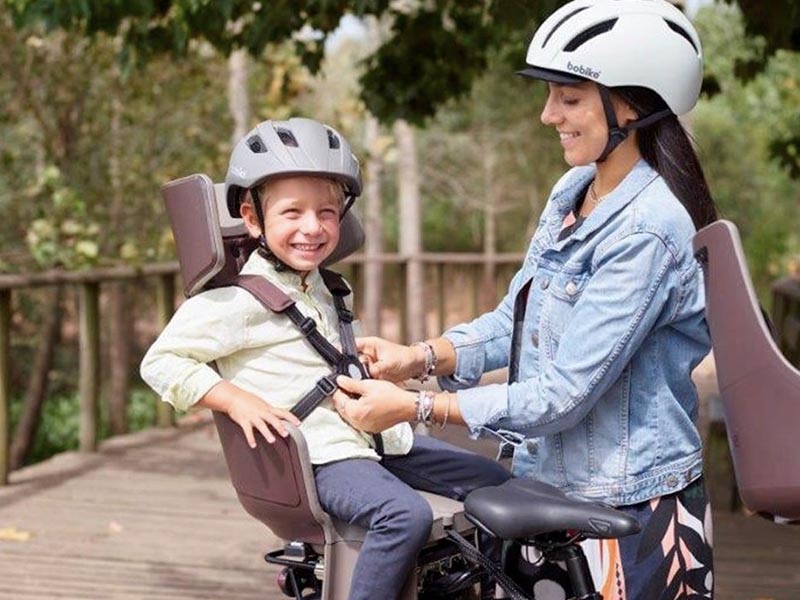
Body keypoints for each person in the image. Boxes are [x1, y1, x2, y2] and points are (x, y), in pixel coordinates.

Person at [331, 2, 716, 597]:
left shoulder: (649, 230)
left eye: (568, 97)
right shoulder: (573, 190)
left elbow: (563, 396)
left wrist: (417, 408)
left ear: (632, 103)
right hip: (548, 489)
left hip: (628, 506)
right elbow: (517, 321)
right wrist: (417, 358)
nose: (546, 115)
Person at [139, 117, 509, 600]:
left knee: (498, 485)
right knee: (404, 516)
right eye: (292, 213)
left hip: (375, 440)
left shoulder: (326, 286)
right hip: (320, 457)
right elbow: (161, 361)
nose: (312, 228)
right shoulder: (235, 302)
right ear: (252, 219)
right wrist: (234, 399)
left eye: (327, 212)